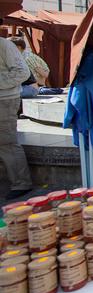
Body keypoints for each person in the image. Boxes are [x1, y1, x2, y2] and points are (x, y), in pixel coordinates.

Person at [0, 28, 34, 199]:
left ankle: (21, 182)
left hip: (5, 100)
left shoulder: (4, 45)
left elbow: (22, 72)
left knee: (6, 142)